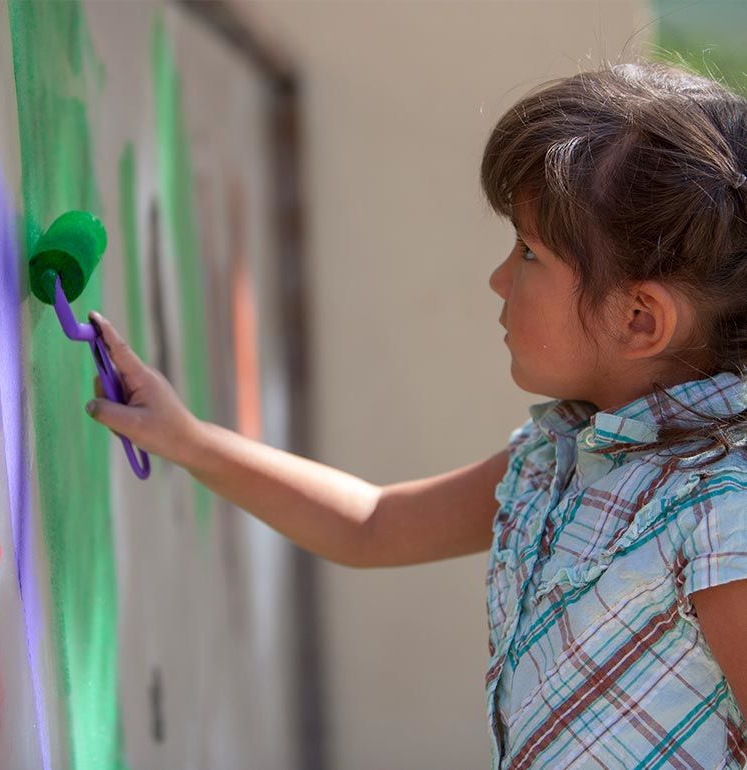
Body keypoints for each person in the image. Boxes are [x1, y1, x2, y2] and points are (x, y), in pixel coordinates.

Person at [85, 58, 747, 768]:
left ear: (639, 320)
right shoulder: (559, 452)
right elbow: (373, 524)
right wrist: (189, 439)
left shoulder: (721, 512)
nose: (499, 278)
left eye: (529, 254)